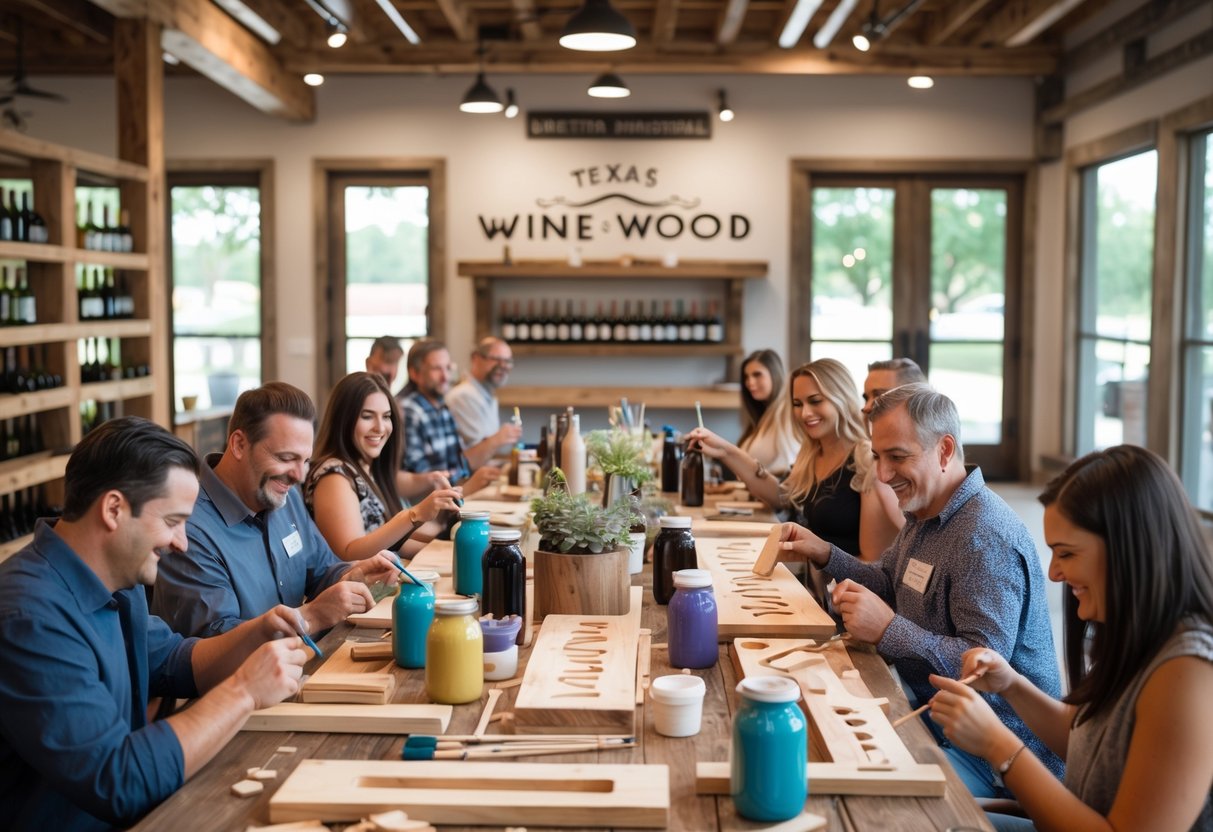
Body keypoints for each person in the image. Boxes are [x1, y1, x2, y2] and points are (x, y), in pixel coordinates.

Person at [0, 418, 309, 830]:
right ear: (113, 509)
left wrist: (258, 631)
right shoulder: (29, 617)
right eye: (172, 521)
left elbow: (173, 662)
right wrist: (244, 691)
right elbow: (117, 780)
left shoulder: (114, 576)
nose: (181, 541)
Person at [774, 383, 1063, 799]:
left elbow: (981, 674)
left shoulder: (984, 536)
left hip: (997, 761)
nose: (883, 475)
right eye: (877, 456)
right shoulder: (927, 509)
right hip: (930, 717)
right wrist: (824, 553)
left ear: (944, 451)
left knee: (844, 791)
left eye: (897, 457)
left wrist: (888, 629)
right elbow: (890, 581)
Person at [928, 445, 1213, 832]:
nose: (1055, 574)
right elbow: (1090, 740)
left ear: (1126, 549)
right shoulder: (1142, 632)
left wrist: (999, 746)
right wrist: (1011, 684)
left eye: (1066, 554)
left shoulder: (1189, 671)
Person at [152, 382, 400, 638]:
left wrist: (354, 575)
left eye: (305, 461)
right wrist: (311, 616)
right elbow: (213, 646)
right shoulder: (188, 529)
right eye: (285, 458)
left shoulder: (284, 495)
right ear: (238, 444)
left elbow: (322, 569)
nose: (299, 476)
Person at [687, 357, 902, 562]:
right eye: (798, 404)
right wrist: (725, 450)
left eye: (815, 401)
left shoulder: (866, 461)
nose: (805, 413)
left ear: (842, 398)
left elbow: (870, 563)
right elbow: (782, 496)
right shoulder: (811, 455)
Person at [305, 371, 463, 560]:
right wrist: (414, 514)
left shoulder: (365, 467)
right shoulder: (334, 475)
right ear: (343, 420)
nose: (380, 427)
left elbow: (391, 543)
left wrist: (450, 551)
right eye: (367, 416)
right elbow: (349, 554)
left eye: (386, 416)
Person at [397, 338, 501, 495]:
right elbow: (422, 479)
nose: (445, 376)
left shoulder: (442, 408)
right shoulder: (409, 411)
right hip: (428, 509)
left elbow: (457, 464)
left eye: (447, 368)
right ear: (414, 373)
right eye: (436, 369)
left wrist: (477, 477)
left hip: (451, 498)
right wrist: (468, 486)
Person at [445, 336, 523, 461]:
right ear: (475, 358)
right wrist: (499, 438)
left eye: (507, 361)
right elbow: (471, 459)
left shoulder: (488, 396)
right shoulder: (462, 396)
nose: (503, 366)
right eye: (496, 359)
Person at [736, 349, 799, 479]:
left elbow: (788, 465)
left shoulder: (787, 412)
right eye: (746, 377)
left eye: (757, 374)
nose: (750, 383)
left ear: (775, 374)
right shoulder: (761, 419)